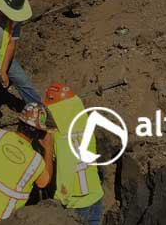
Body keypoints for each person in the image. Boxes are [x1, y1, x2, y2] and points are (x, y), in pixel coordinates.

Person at [44, 83, 104, 225]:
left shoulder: (58, 137)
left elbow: (63, 166)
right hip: (96, 194)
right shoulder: (86, 127)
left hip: (76, 201)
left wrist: (59, 198)